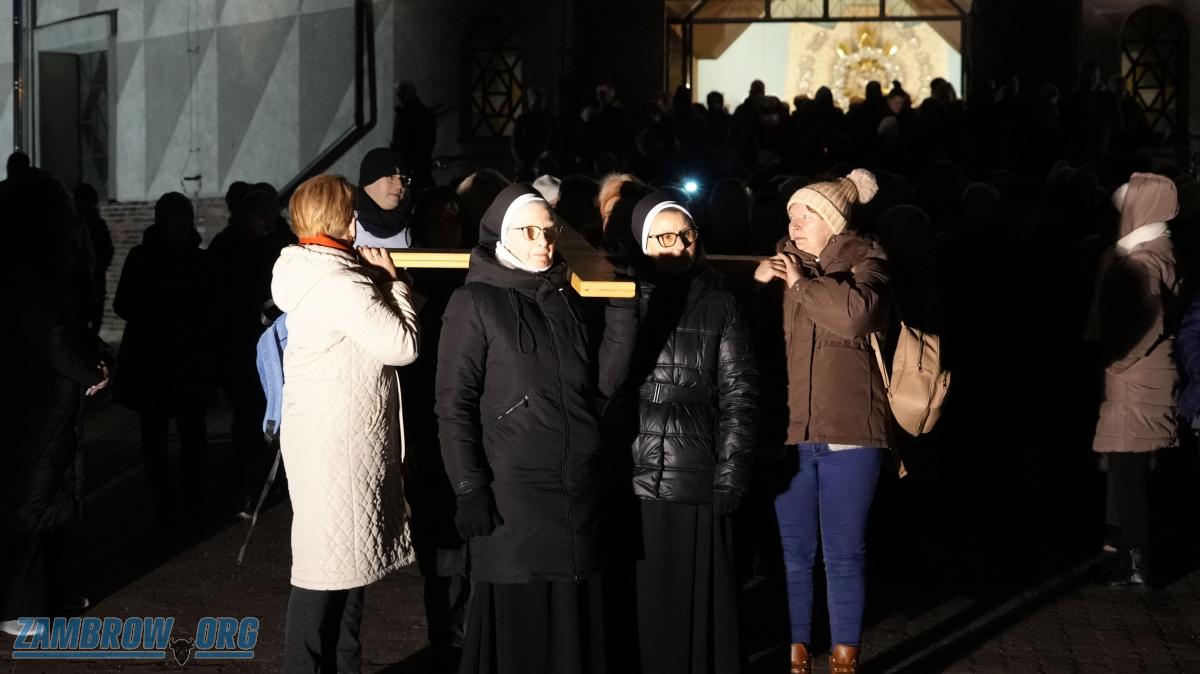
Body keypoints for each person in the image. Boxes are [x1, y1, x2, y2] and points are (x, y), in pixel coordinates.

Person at [436, 184, 635, 674]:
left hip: (575, 490)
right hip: (514, 493)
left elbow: (600, 389)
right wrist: (469, 488)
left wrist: (623, 313)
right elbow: (454, 404)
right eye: (529, 231)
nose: (543, 241)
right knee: (521, 631)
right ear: (503, 234)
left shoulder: (565, 295)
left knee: (571, 628)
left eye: (549, 231)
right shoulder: (474, 301)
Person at [271, 174, 421, 673]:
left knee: (340, 565)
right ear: (337, 218)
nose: (357, 220)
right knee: (327, 574)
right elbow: (402, 346)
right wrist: (395, 285)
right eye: (351, 211)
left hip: (323, 436)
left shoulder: (308, 269)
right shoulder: (341, 281)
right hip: (342, 443)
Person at [753, 169, 890, 674]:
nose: (794, 223)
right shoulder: (779, 264)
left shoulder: (868, 262)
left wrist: (800, 283)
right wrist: (758, 285)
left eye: (806, 213)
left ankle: (844, 659)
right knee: (793, 554)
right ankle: (796, 656)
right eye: (791, 214)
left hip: (851, 431)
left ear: (834, 221)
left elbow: (856, 316)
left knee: (843, 553)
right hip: (791, 432)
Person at [622, 190, 758, 674]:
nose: (679, 246)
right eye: (664, 237)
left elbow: (740, 394)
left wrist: (731, 476)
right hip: (632, 471)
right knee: (638, 605)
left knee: (692, 604)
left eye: (686, 234)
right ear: (642, 242)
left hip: (694, 474)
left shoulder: (720, 302)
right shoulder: (622, 298)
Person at [0, 169, 113, 636]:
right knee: (32, 498)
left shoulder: (38, 268)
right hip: (31, 402)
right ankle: (18, 606)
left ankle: (44, 593)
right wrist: (91, 370)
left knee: (48, 497)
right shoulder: (26, 272)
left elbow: (67, 329)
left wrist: (97, 360)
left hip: (44, 400)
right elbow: (51, 337)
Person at [1084, 174, 1180, 589]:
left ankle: (1137, 563)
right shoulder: (1158, 253)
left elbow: (1148, 320)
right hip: (1145, 379)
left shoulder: (1143, 260)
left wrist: (1118, 361)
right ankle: (1130, 557)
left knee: (1128, 478)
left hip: (1136, 383)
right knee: (1131, 475)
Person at [112, 192, 217, 527]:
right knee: (162, 436)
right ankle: (170, 503)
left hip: (179, 360)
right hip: (157, 361)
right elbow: (123, 303)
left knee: (188, 436)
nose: (182, 222)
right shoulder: (147, 258)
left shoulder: (191, 259)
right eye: (175, 216)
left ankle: (185, 503)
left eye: (184, 216)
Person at [206, 188, 282, 517]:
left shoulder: (277, 245)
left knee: (266, 415)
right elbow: (216, 296)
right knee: (248, 418)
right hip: (239, 345)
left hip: (268, 342)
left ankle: (262, 483)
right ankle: (248, 486)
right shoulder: (228, 247)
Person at [356, 147, 414, 248]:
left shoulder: (417, 228)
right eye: (390, 176)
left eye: (403, 179)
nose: (399, 185)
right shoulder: (341, 225)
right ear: (369, 180)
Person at [392, 81, 437, 189]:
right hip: (414, 166)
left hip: (414, 166)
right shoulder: (410, 114)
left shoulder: (408, 115)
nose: (401, 98)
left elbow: (420, 143)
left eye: (402, 95)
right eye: (400, 95)